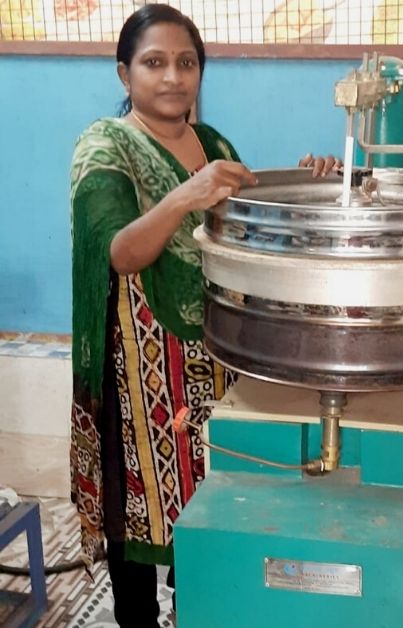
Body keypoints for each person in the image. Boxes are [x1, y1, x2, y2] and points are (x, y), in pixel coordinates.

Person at [68, 5, 337, 625]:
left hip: (213, 365)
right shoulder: (105, 147)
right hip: (138, 373)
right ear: (123, 73)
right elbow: (119, 250)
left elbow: (248, 226)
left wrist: (307, 181)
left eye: (186, 63)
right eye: (154, 63)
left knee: (209, 515)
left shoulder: (212, 144)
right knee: (138, 524)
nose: (172, 78)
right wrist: (187, 192)